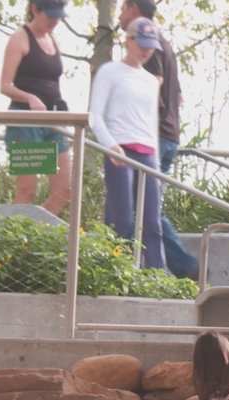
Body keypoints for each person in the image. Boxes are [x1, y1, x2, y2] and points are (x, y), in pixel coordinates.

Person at [116, 0, 199, 280]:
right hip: (165, 135)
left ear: (133, 9)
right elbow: (178, 95)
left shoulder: (146, 44)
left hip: (150, 137)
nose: (118, 15)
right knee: (139, 207)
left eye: (121, 8)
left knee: (141, 208)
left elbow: (156, 86)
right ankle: (139, 269)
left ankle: (184, 266)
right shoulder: (163, 42)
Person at [88, 17, 167, 270]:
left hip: (148, 154)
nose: (145, 50)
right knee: (122, 219)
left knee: (152, 223)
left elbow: (151, 123)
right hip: (120, 150)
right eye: (141, 43)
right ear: (129, 40)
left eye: (151, 46)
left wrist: (157, 162)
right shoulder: (109, 71)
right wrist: (109, 144)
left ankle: (158, 277)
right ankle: (118, 272)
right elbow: (95, 115)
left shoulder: (151, 80)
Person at [0, 0, 73, 216]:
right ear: (35, 9)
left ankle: (34, 234)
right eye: (50, 14)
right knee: (27, 190)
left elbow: (53, 83)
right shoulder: (19, 38)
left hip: (54, 121)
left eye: (58, 15)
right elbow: (5, 85)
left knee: (64, 190)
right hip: (25, 121)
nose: (55, 20)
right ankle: (18, 242)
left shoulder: (54, 40)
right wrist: (29, 97)